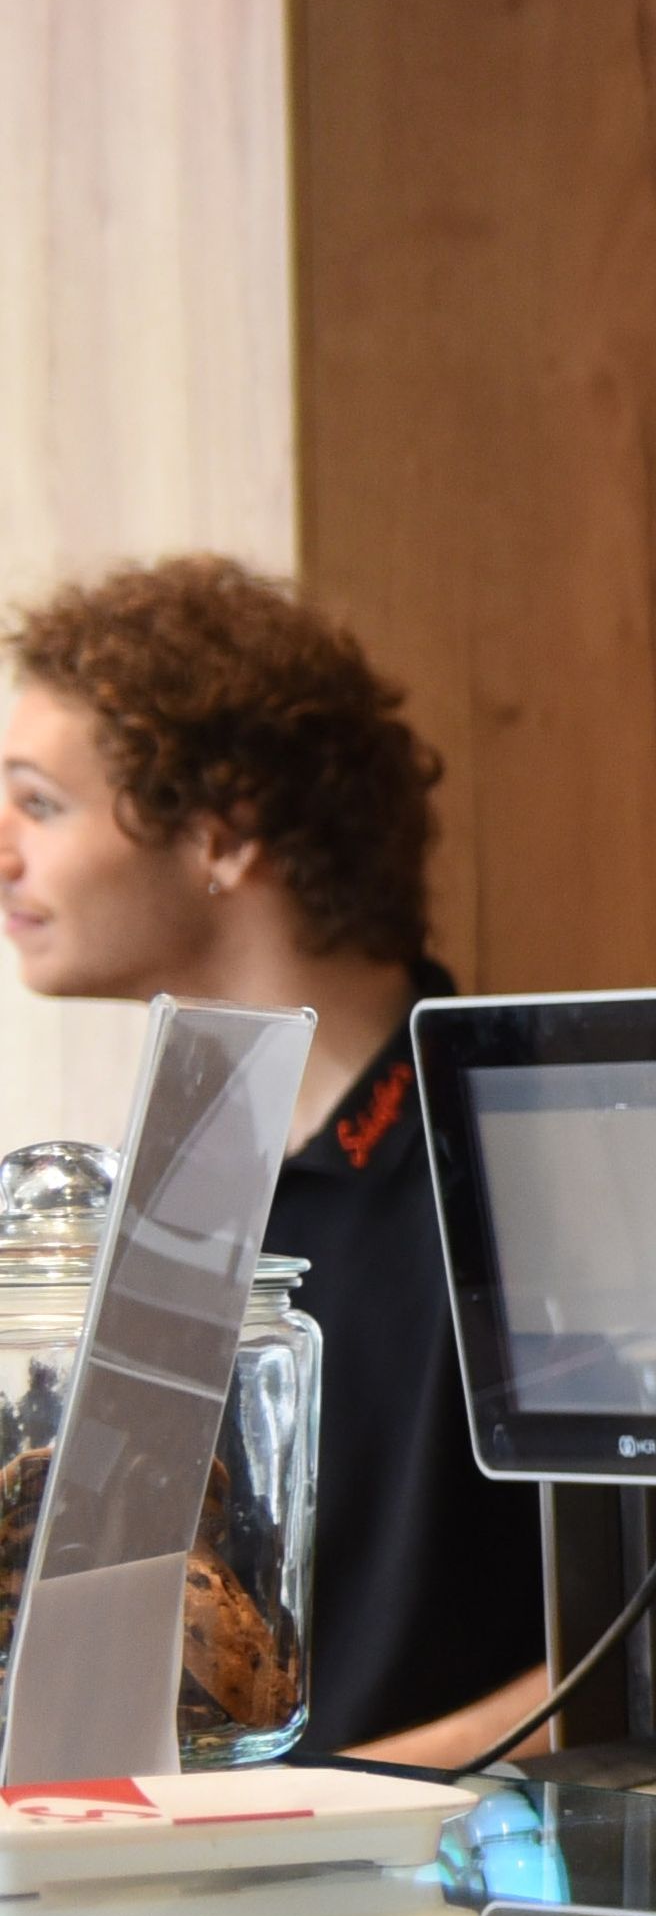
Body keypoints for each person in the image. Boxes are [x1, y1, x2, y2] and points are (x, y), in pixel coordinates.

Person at [0, 560, 545, 1763]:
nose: (3, 851)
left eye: (38, 803)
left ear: (222, 829)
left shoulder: (521, 1169)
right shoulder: (167, 1187)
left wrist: (325, 1809)